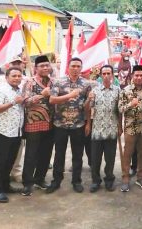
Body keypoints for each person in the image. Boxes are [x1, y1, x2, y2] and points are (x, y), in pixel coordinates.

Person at [47, 57, 92, 194]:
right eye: (73, 66)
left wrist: (88, 122)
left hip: (78, 125)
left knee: (77, 155)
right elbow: (52, 99)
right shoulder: (59, 82)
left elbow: (87, 107)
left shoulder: (85, 84)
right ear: (68, 67)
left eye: (78, 66)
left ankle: (76, 181)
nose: (75, 69)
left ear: (81, 68)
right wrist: (69, 96)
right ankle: (56, 181)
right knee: (59, 154)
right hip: (60, 124)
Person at [0, 67, 26, 203]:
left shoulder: (19, 91)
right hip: (2, 132)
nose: (17, 78)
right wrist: (13, 102)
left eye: (19, 75)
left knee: (9, 162)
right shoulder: (1, 90)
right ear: (6, 77)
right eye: (14, 76)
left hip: (16, 132)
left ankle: (5, 185)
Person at [21, 55, 54, 196]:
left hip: (51, 123)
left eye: (47, 65)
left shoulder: (54, 82)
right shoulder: (29, 82)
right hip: (33, 123)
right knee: (31, 154)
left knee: (46, 154)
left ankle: (40, 179)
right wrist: (41, 94)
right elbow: (25, 102)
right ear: (36, 68)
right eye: (42, 66)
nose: (45, 68)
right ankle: (27, 183)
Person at [85, 65, 121, 193]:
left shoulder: (117, 91)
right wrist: (88, 124)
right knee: (95, 159)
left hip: (111, 129)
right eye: (104, 73)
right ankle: (95, 181)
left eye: (108, 73)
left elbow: (119, 111)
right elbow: (87, 109)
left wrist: (120, 127)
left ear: (112, 75)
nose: (106, 76)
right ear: (100, 75)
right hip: (97, 130)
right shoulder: (95, 91)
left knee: (110, 159)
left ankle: (109, 180)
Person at [119, 65, 142, 192]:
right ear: (133, 76)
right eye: (137, 75)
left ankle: (140, 177)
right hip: (130, 128)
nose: (139, 77)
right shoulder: (125, 91)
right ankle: (125, 179)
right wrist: (130, 104)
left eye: (141, 75)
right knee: (127, 154)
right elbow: (120, 109)